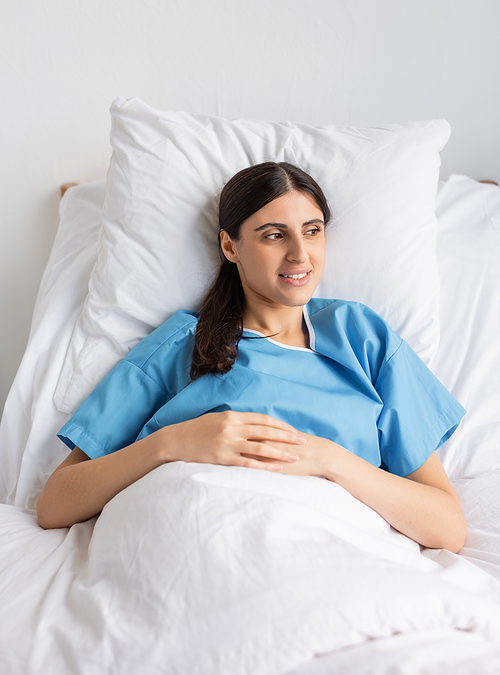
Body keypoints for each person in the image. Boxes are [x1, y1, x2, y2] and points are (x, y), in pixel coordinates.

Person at [36, 162, 467, 553]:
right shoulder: (184, 342)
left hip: (331, 552)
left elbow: (446, 526)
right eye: (275, 235)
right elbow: (55, 502)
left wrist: (329, 460)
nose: (300, 253)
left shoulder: (361, 338)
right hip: (194, 544)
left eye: (312, 230)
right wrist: (173, 444)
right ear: (230, 246)